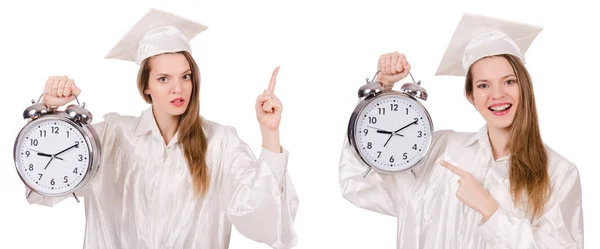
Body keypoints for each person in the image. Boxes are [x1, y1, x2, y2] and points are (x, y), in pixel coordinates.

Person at [26, 8, 298, 249]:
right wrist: (51, 114)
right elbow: (42, 187)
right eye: (164, 78)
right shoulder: (112, 136)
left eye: (185, 76)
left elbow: (264, 220)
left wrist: (269, 132)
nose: (177, 88)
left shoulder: (219, 143)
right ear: (146, 86)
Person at [339, 13, 584, 249]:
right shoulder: (439, 151)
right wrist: (382, 90)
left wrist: (491, 210)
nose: (497, 95)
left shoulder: (559, 173)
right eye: (483, 85)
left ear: (525, 88)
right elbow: (359, 183)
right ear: (471, 96)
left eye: (509, 81)